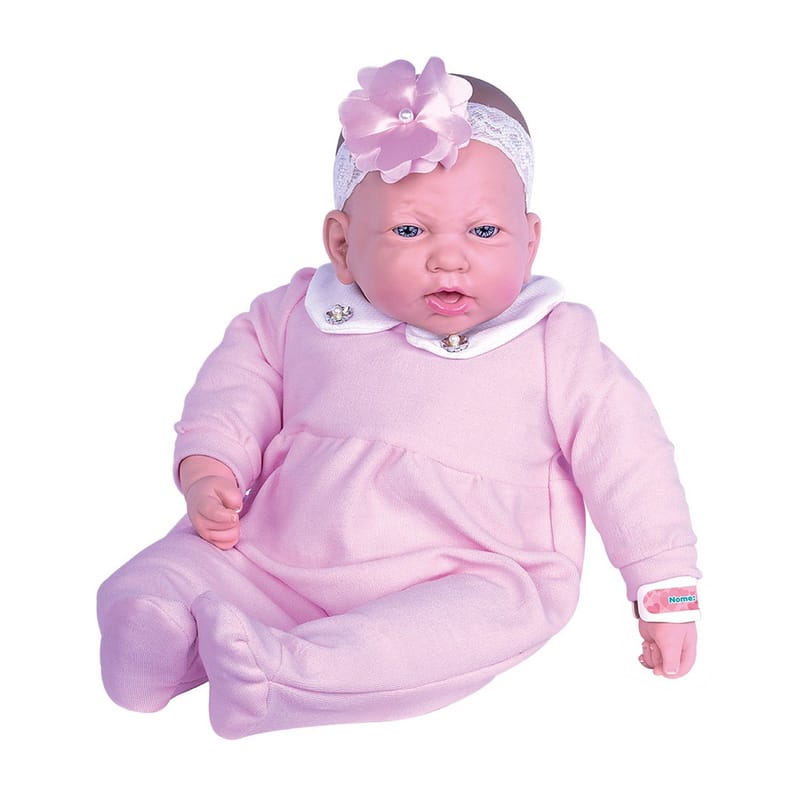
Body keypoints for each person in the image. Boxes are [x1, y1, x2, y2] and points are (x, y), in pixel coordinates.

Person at [97, 57, 701, 739]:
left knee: (445, 634)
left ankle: (283, 675)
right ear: (342, 245)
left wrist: (663, 586)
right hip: (280, 550)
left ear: (530, 242)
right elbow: (235, 387)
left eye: (484, 231)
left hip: (471, 569)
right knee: (178, 569)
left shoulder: (555, 344)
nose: (450, 258)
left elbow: (630, 461)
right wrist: (210, 465)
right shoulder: (300, 314)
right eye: (411, 231)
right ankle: (157, 637)